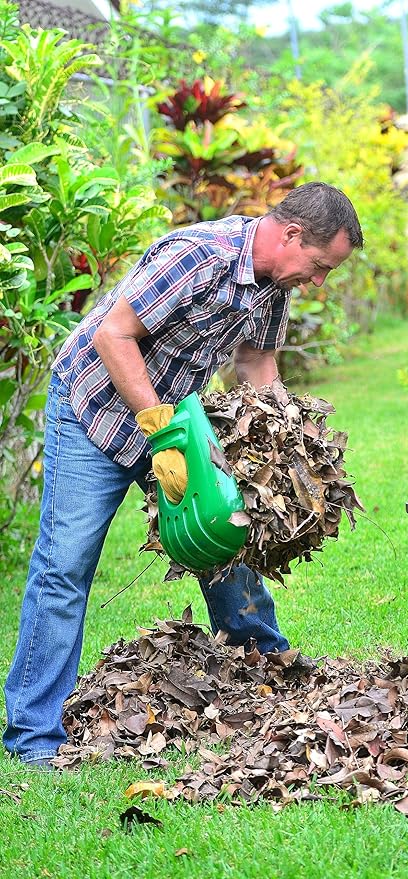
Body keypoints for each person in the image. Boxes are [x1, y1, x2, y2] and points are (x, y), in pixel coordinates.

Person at [3, 182, 363, 767]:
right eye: (320, 267)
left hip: (173, 418)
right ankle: (33, 737)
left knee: (227, 530)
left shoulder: (273, 282)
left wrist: (288, 438)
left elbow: (257, 361)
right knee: (65, 566)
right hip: (94, 407)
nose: (318, 281)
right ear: (292, 235)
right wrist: (162, 433)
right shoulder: (199, 255)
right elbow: (112, 335)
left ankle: (265, 671)